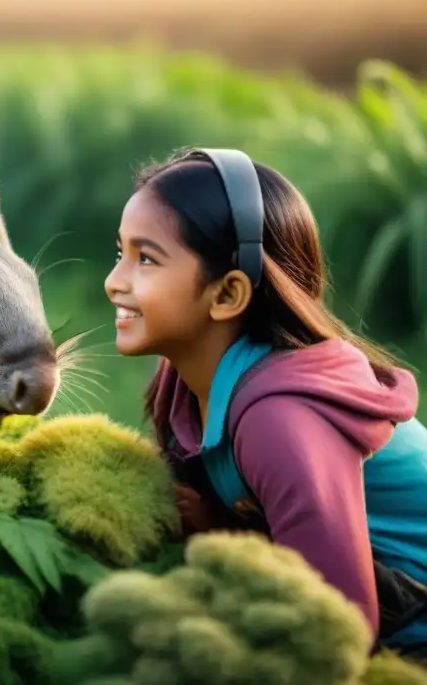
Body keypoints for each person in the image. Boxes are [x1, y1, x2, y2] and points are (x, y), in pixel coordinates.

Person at [103, 146, 427, 655]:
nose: (113, 281)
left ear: (228, 295)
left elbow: (336, 628)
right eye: (118, 253)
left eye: (145, 259)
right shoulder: (186, 385)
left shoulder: (278, 419)